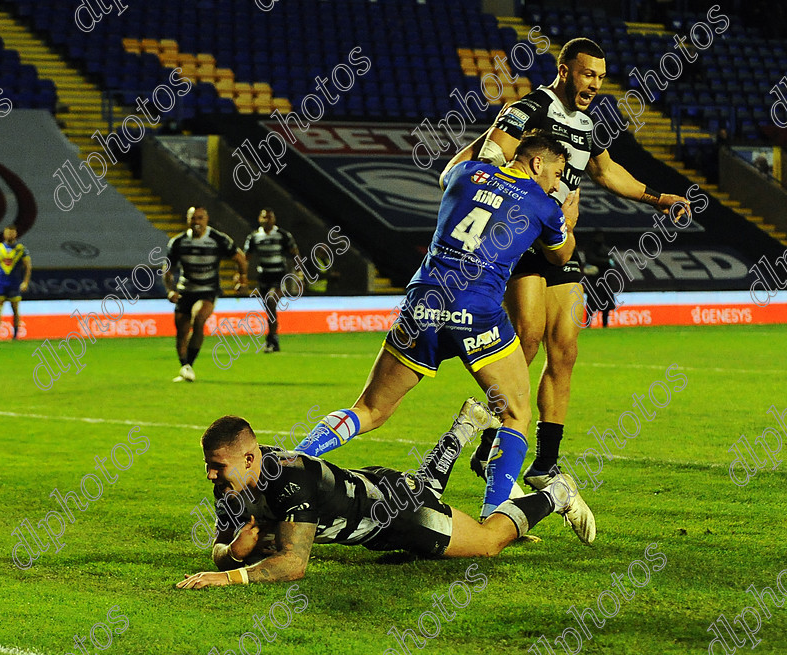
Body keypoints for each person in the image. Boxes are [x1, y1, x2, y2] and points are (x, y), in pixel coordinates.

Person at [293, 130, 588, 533]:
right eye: (557, 171)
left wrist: (493, 132)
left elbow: (449, 170)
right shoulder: (543, 204)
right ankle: (494, 514)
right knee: (516, 413)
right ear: (538, 163)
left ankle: (288, 467)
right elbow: (561, 255)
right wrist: (568, 222)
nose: (558, 182)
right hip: (477, 309)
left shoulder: (468, 173)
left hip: (424, 302)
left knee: (370, 410)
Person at [442, 38, 691, 492]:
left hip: (560, 237)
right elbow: (487, 161)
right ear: (564, 70)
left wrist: (659, 198)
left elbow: (606, 172)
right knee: (528, 340)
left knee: (566, 348)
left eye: (599, 76)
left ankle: (544, 465)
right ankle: (490, 450)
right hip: (520, 238)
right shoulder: (528, 109)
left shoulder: (587, 124)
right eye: (586, 74)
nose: (594, 84)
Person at [176, 398, 595, 587]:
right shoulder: (231, 485)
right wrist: (231, 551)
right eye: (209, 465)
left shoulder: (291, 478)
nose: (210, 475)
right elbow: (221, 543)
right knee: (425, 486)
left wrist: (228, 575)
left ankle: (555, 493)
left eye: (217, 466)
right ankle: (465, 425)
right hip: (380, 496)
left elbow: (293, 565)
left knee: (487, 542)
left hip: (399, 513)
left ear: (249, 459)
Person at [164, 206, 248, 382]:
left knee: (199, 318)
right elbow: (168, 269)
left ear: (206, 220)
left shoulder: (217, 239)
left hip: (208, 290)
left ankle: (190, 365)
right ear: (188, 220)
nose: (197, 222)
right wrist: (170, 290)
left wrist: (243, 280)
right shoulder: (178, 242)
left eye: (200, 218)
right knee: (181, 332)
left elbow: (240, 258)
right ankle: (185, 366)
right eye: (193, 218)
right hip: (185, 291)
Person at [242, 208, 300, 353]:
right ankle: (273, 339)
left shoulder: (282, 235)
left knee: (271, 300)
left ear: (274, 219)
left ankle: (272, 338)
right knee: (269, 308)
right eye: (264, 217)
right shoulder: (254, 237)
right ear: (259, 219)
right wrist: (242, 275)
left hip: (279, 276)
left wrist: (299, 273)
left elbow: (295, 254)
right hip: (263, 277)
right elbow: (246, 257)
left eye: (269, 217)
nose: (266, 220)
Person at [0, 225, 31, 341]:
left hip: (14, 283)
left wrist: (25, 282)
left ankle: (15, 336)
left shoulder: (21, 249)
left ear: (15, 234)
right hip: (0, 283)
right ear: (4, 234)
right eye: (8, 232)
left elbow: (28, 266)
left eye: (12, 232)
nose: (10, 235)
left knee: (15, 310)